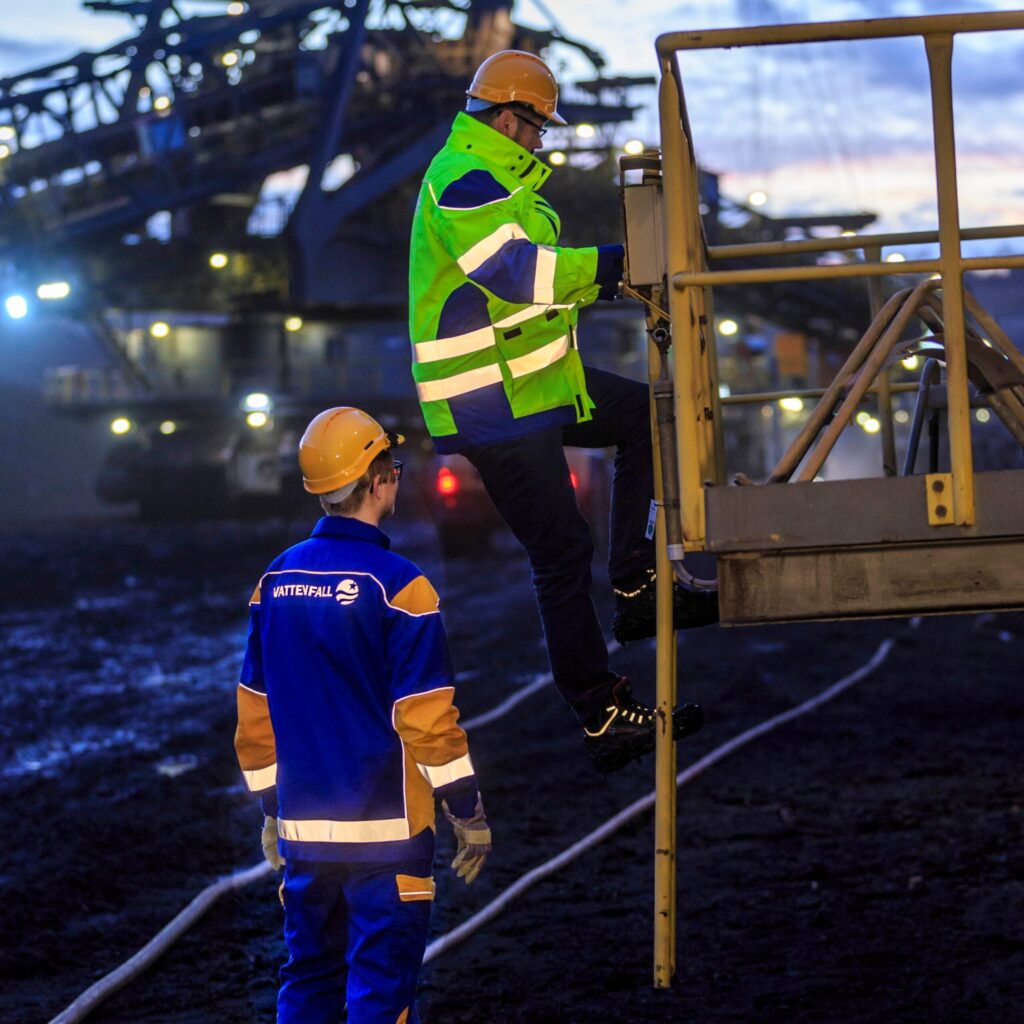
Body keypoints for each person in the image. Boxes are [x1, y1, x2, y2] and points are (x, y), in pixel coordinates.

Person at [407, 49, 715, 774]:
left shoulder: (502, 179)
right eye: (541, 127)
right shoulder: (465, 177)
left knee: (645, 415)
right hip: (493, 407)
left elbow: (533, 282)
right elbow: (517, 276)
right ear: (511, 119)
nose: (545, 140)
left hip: (534, 388)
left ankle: (637, 583)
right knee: (560, 555)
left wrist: (608, 276)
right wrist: (613, 267)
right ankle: (602, 714)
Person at [234, 406, 490, 1024]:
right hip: (388, 837)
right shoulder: (402, 587)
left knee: (308, 981)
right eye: (394, 468)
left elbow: (253, 715)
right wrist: (467, 810)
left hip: (304, 836)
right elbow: (427, 722)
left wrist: (273, 811)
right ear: (378, 481)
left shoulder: (276, 581)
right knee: (380, 993)